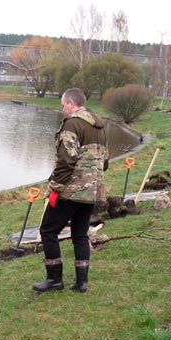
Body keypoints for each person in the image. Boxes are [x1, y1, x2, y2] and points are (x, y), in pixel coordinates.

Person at [33, 88, 108, 293]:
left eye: (64, 105)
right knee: (80, 234)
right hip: (92, 191)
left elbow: (66, 160)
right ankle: (81, 282)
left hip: (72, 190)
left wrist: (55, 187)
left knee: (48, 230)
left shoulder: (72, 124)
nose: (63, 109)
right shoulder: (100, 126)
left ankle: (54, 280)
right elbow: (106, 162)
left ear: (72, 104)